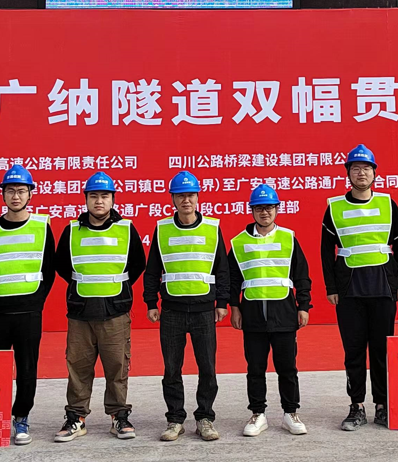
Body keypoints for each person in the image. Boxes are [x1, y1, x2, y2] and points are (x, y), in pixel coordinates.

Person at [321, 144, 398, 431]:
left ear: (375, 173)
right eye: (356, 168)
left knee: (382, 350)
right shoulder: (335, 207)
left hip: (383, 286)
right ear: (348, 174)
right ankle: (356, 406)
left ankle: (382, 405)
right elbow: (326, 251)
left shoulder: (388, 204)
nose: (361, 173)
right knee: (354, 351)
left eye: (367, 168)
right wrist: (331, 287)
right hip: (349, 289)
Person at [53, 171, 146, 442]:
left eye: (104, 196)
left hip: (115, 311)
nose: (99, 201)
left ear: (113, 199)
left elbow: (137, 264)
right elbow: (62, 265)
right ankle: (76, 417)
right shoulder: (72, 230)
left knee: (117, 367)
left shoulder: (126, 229)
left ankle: (119, 416)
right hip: (80, 311)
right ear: (86, 199)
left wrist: (115, 289)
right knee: (78, 367)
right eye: (93, 196)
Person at [143, 171, 229, 442]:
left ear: (198, 197)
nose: (186, 200)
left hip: (204, 309)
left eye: (190, 195)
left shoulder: (212, 228)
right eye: (180, 195)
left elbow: (222, 269)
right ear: (173, 199)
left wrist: (222, 302)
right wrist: (151, 302)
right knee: (171, 369)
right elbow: (152, 270)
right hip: (172, 310)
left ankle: (205, 418)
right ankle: (175, 419)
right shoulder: (162, 229)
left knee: (208, 368)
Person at [0, 165, 56, 446]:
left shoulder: (41, 227)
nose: (15, 196)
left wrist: (36, 300)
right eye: (10, 190)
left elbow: (49, 268)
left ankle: (21, 417)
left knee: (26, 369)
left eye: (21, 191)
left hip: (29, 311)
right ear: (2, 194)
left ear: (30, 194)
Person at [228, 183, 312, 437]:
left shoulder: (288, 238)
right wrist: (234, 307)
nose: (264, 212)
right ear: (252, 210)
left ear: (277, 209)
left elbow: (302, 275)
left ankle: (290, 413)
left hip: (284, 313)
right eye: (259, 208)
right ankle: (258, 414)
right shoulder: (239, 242)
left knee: (287, 368)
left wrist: (303, 306)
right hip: (252, 314)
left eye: (269, 207)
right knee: (255, 368)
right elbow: (232, 280)